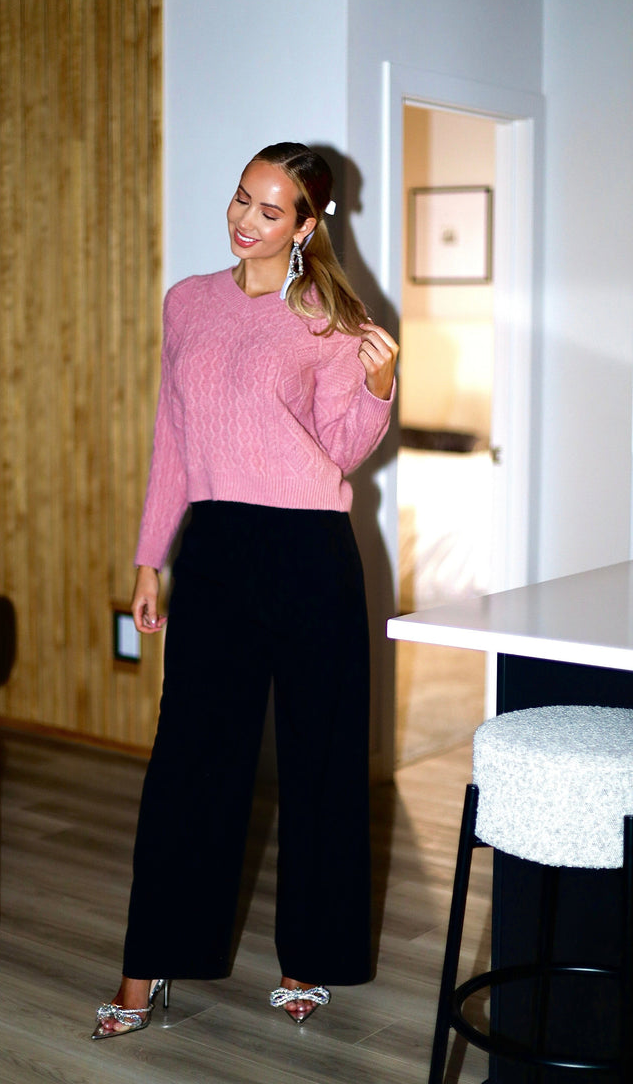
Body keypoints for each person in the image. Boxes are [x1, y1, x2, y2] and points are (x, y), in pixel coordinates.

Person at [92, 142, 398, 1039]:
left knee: (320, 760)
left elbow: (340, 450)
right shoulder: (187, 302)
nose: (245, 221)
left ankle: (309, 958)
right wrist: (150, 557)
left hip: (310, 552)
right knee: (187, 762)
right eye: (241, 199)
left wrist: (378, 389)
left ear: (305, 227)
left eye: (270, 211)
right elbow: (174, 437)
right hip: (217, 551)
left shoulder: (332, 320)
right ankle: (146, 968)